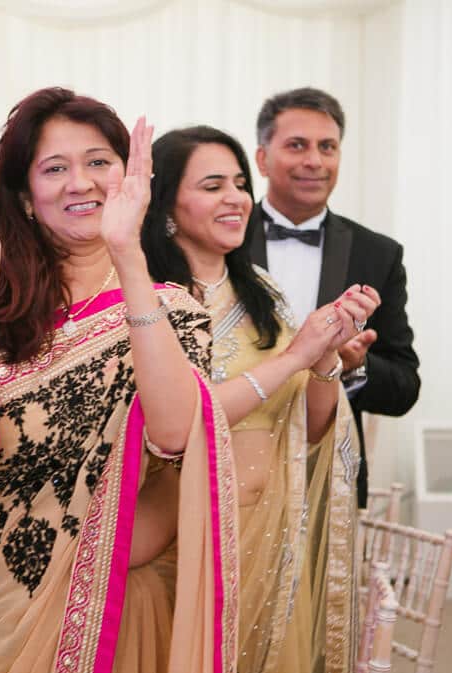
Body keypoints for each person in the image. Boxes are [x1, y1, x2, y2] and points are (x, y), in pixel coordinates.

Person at [0, 87, 237, 673]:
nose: (79, 182)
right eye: (54, 168)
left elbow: (174, 434)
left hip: (115, 609)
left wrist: (127, 254)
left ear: (130, 180)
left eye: (98, 163)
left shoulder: (171, 309)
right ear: (28, 199)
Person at [141, 126, 378, 673]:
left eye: (240, 183)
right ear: (169, 206)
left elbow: (310, 427)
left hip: (271, 541)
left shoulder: (264, 295)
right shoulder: (149, 305)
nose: (236, 197)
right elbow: (175, 425)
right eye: (212, 184)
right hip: (184, 542)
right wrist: (293, 358)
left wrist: (324, 357)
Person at [247, 87, 421, 507]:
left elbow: (404, 387)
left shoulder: (377, 254)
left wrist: (355, 366)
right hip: (232, 470)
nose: (315, 161)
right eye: (297, 145)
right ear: (262, 159)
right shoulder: (220, 238)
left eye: (328, 147)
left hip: (327, 483)